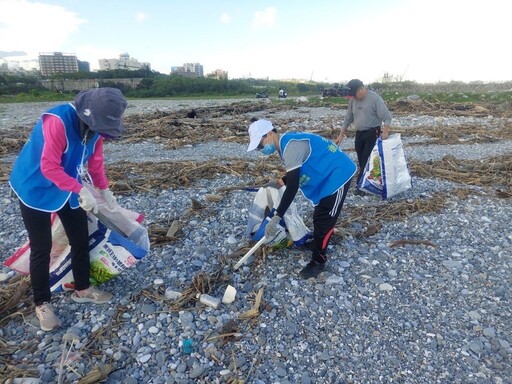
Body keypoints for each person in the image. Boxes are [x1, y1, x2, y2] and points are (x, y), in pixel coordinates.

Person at [9, 87, 128, 331]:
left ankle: (83, 288)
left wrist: (104, 189)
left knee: (80, 238)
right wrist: (82, 190)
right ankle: (42, 303)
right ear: (89, 114)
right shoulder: (58, 121)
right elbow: (49, 167)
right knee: (41, 247)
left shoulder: (96, 129)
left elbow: (95, 162)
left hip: (68, 185)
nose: (101, 132)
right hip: (35, 185)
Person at [247, 119, 356, 279]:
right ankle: (318, 243)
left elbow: (293, 187)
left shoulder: (290, 147)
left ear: (269, 134)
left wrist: (277, 216)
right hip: (327, 174)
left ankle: (319, 261)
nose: (260, 150)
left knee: (324, 219)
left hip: (338, 175)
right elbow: (298, 168)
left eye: (260, 145)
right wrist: (281, 181)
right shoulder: (285, 143)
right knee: (319, 217)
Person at [335, 79, 392, 194]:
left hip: (373, 132)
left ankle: (361, 187)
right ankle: (368, 180)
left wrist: (385, 132)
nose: (354, 98)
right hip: (359, 133)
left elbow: (387, 117)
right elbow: (348, 118)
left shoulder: (374, 98)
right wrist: (341, 134)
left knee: (367, 159)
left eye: (354, 95)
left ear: (361, 89)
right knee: (361, 159)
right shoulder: (353, 100)